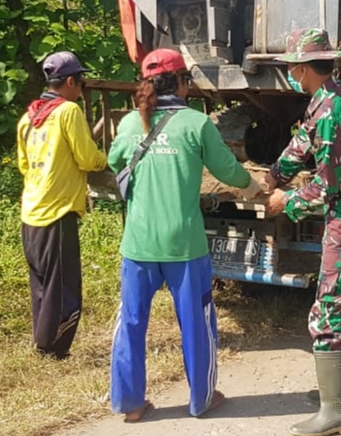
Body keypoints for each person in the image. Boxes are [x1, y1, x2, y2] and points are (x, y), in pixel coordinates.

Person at [107, 48, 261, 423]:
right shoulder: (196, 123)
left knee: (130, 323)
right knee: (196, 323)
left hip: (139, 244)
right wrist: (253, 187)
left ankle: (130, 404)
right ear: (181, 82)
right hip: (185, 245)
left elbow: (114, 161)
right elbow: (227, 169)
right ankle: (201, 399)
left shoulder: (130, 124)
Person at [263, 29, 341, 436]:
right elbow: (302, 142)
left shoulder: (332, 110)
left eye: (293, 68)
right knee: (336, 305)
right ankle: (336, 396)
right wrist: (275, 174)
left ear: (301, 68)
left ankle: (337, 414)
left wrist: (286, 202)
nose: (292, 75)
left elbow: (326, 185)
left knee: (331, 309)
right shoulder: (331, 96)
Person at [16, 51, 108, 359]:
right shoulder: (68, 111)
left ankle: (42, 345)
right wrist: (107, 161)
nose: (81, 88)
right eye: (80, 82)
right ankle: (53, 349)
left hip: (31, 213)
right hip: (57, 214)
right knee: (65, 287)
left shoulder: (28, 116)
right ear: (70, 81)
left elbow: (24, 164)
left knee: (42, 285)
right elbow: (87, 158)